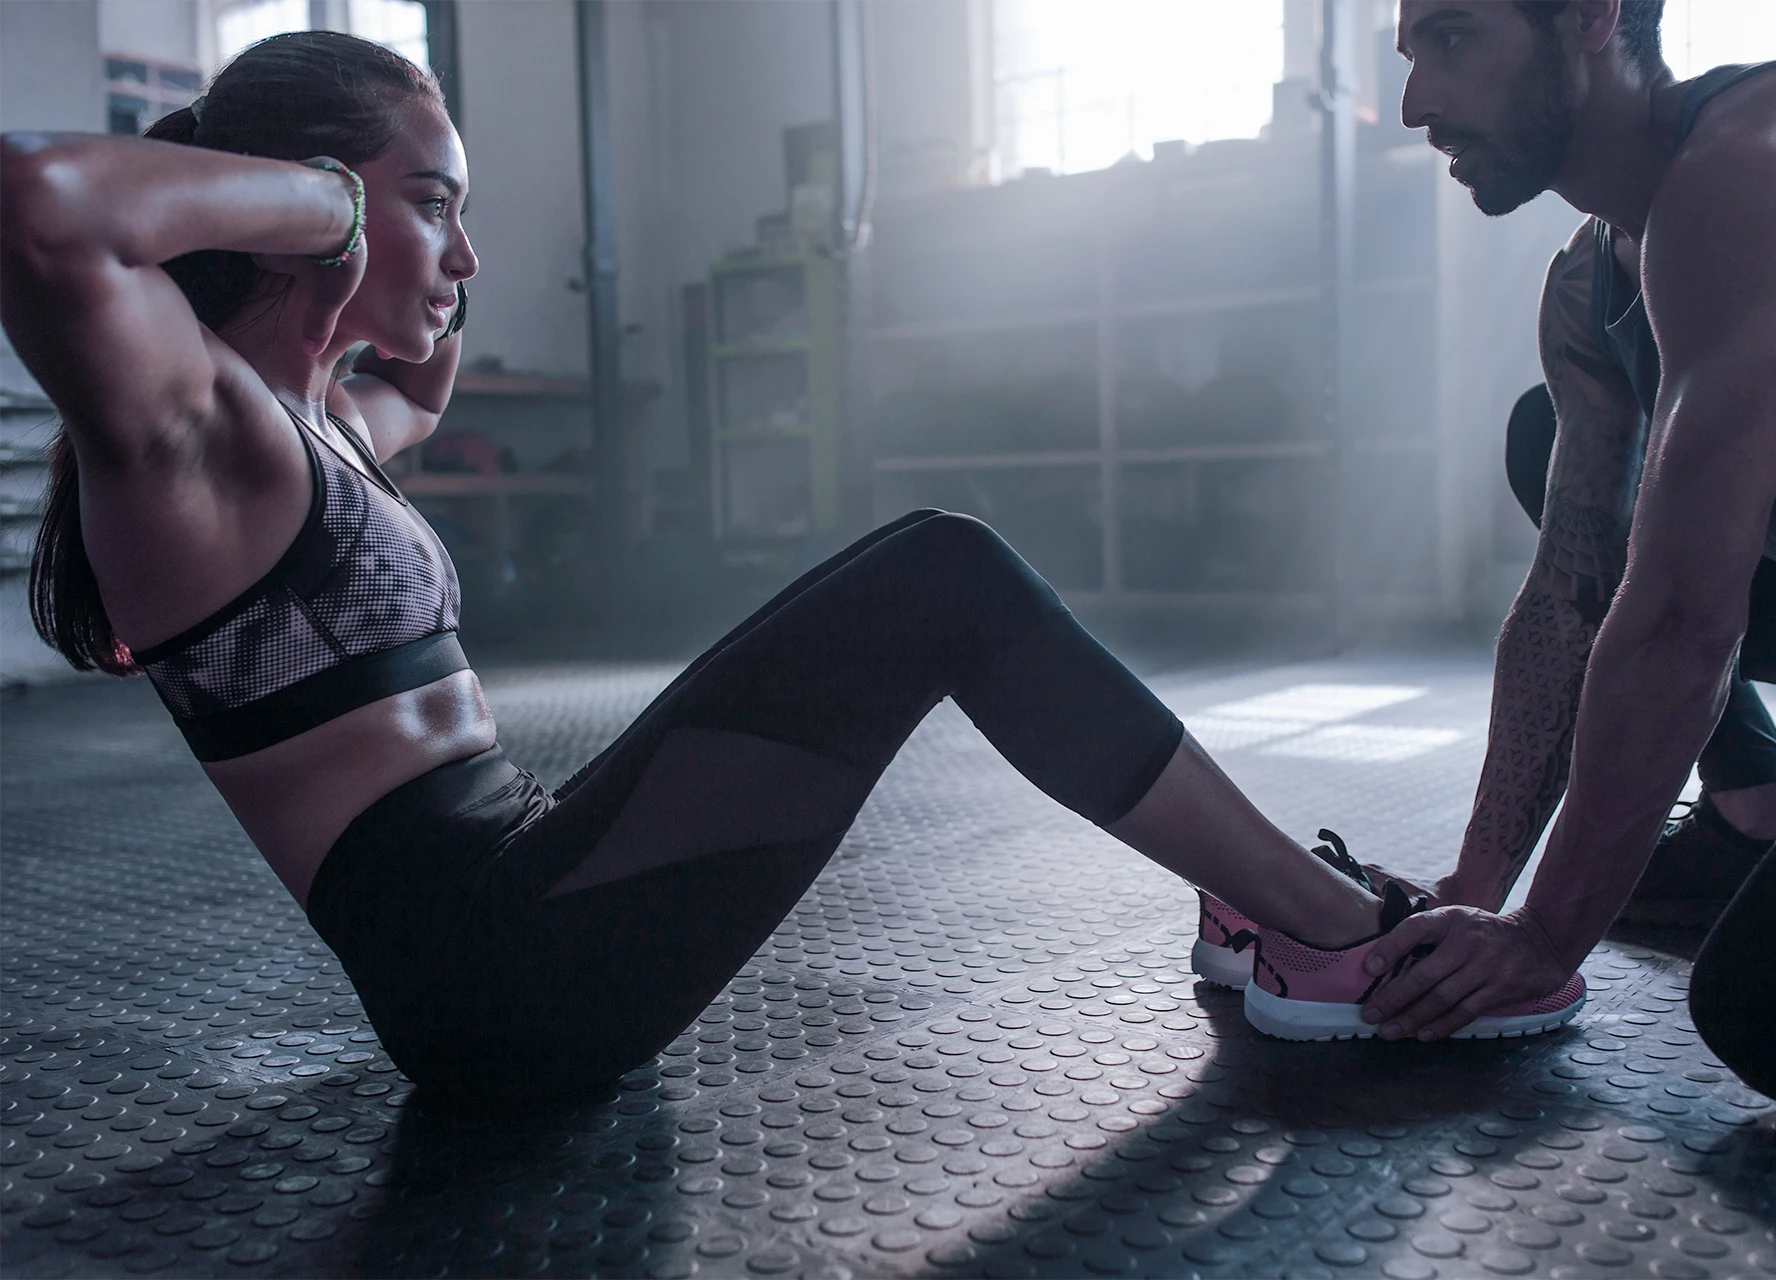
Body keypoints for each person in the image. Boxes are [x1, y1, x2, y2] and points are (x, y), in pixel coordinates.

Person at [0, 31, 1402, 1104]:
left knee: (933, 569)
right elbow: (37, 200)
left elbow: (423, 384)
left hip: (519, 910)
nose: (469, 251)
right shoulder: (195, 432)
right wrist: (332, 200)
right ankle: (1325, 936)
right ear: (313, 203)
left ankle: (1255, 905)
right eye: (436, 203)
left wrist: (403, 231)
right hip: (499, 969)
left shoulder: (321, 428)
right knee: (943, 578)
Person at [1360, 0, 1776, 1121]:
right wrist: (1480, 888)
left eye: (1455, 39)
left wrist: (1543, 936)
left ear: (1588, 18)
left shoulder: (1753, 163)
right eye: (1410, 54)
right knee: (1553, 447)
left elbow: (1681, 615)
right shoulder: (1590, 282)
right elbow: (1576, 596)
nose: (1417, 102)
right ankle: (1748, 813)